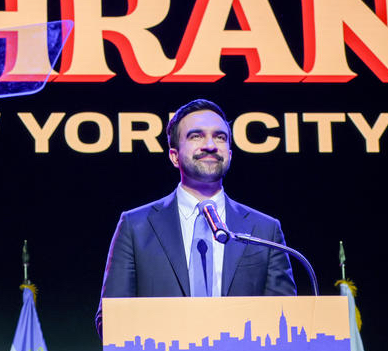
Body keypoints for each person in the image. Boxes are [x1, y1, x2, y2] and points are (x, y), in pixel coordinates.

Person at [96, 99, 296, 336]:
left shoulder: (264, 230)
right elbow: (111, 321)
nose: (210, 145)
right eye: (196, 136)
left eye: (220, 137)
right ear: (174, 156)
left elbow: (286, 321)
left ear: (230, 154)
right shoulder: (136, 226)